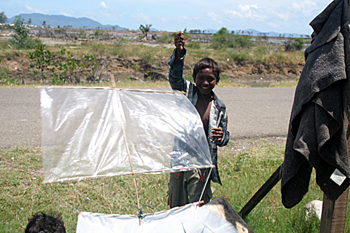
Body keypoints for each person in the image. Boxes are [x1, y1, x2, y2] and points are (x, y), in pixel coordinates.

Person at [167, 32, 230, 208]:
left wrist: (222, 136)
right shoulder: (187, 92)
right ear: (194, 79)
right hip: (180, 159)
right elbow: (175, 77)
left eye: (210, 79)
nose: (205, 82)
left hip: (203, 162)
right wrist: (179, 53)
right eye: (201, 78)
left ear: (216, 81)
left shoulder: (219, 107)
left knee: (197, 205)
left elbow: (225, 136)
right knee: (176, 204)